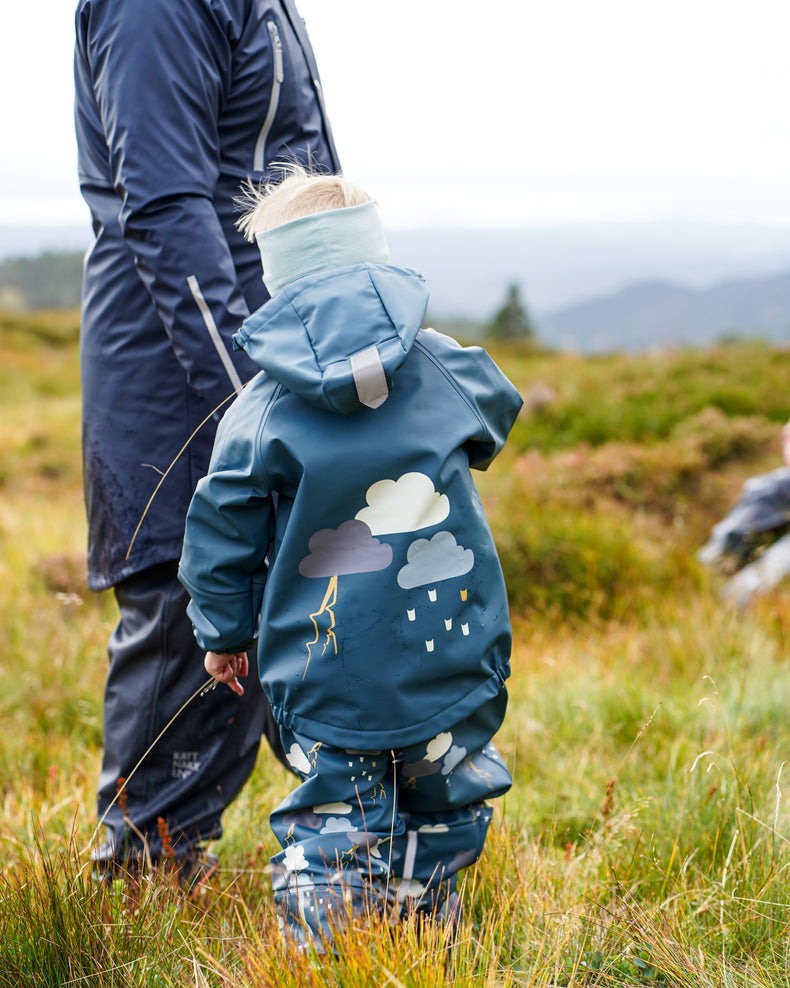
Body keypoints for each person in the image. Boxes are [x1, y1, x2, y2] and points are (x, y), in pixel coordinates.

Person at [178, 169, 522, 946]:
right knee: (444, 804)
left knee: (336, 813)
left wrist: (223, 635)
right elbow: (497, 414)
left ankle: (332, 951)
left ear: (279, 284)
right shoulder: (445, 367)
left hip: (323, 665)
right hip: (455, 656)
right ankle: (427, 932)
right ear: (381, 266)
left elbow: (219, 532)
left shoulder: (259, 408)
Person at [73, 0, 341, 886]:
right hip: (181, 370)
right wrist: (253, 399)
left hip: (259, 358)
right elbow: (165, 206)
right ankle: (137, 898)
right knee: (189, 614)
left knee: (265, 614)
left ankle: (287, 871)